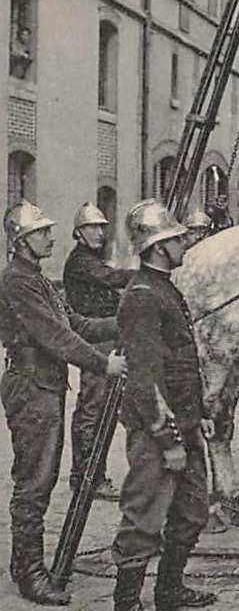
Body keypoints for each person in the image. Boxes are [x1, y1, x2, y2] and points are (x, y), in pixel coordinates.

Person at [0, 201, 127, 606]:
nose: (50, 237)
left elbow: (76, 324)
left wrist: (125, 320)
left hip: (45, 385)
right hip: (30, 386)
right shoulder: (17, 282)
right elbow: (55, 337)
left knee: (42, 477)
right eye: (41, 233)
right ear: (20, 241)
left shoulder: (37, 278)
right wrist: (103, 362)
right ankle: (31, 572)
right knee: (35, 482)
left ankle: (25, 564)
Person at [111, 199, 216, 611]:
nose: (184, 243)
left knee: (192, 511)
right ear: (157, 247)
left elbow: (182, 362)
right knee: (144, 517)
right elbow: (143, 379)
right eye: (175, 239)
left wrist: (201, 415)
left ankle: (169, 589)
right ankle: (127, 609)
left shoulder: (164, 288)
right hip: (160, 430)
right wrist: (167, 438)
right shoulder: (141, 298)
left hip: (186, 422)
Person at [63, 202, 133, 500]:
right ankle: (87, 478)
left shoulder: (91, 259)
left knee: (101, 409)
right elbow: (110, 278)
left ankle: (90, 476)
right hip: (94, 340)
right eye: (93, 227)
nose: (99, 232)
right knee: (93, 409)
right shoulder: (81, 261)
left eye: (102, 227)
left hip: (105, 337)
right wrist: (145, 274)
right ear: (78, 232)